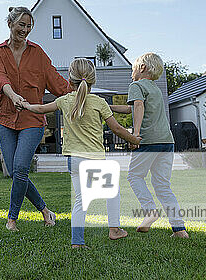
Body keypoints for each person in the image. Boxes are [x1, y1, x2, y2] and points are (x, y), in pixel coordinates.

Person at [21, 58, 141, 248]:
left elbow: (41, 108)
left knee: (81, 200)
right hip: (94, 159)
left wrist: (25, 105)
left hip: (74, 160)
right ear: (93, 80)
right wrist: (134, 139)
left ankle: (77, 241)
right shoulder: (98, 102)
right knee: (113, 193)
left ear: (69, 81)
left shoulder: (64, 101)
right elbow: (117, 129)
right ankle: (114, 230)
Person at [0, 6, 71, 232]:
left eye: (29, 26)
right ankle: (45, 211)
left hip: (33, 121)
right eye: (21, 25)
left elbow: (56, 81)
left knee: (21, 169)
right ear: (10, 24)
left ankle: (12, 220)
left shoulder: (38, 54)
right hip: (5, 118)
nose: (25, 30)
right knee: (17, 172)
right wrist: (13, 95)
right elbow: (0, 78)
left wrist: (79, 93)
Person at [110, 52, 189, 238]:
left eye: (133, 68)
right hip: (166, 142)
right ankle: (179, 229)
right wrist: (109, 107)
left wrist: (135, 134)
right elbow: (132, 108)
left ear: (142, 68)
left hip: (149, 140)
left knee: (135, 176)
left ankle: (150, 211)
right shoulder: (155, 89)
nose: (131, 73)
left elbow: (138, 107)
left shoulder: (136, 85)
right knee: (162, 185)